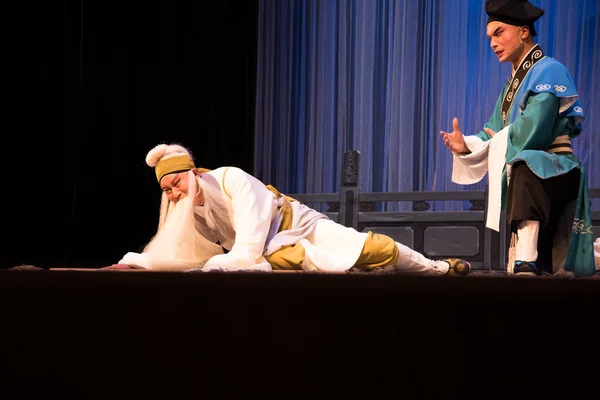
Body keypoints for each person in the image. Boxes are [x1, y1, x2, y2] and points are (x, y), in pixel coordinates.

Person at [103, 143, 472, 276]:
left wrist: (221, 262)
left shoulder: (232, 179)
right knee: (297, 261)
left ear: (195, 173)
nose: (173, 195)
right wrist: (139, 259)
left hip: (298, 225)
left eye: (176, 184)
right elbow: (189, 258)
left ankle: (436, 268)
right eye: (166, 190)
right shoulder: (191, 215)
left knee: (374, 250)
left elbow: (245, 249)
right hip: (275, 252)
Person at [440, 0, 595, 277]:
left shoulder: (548, 70)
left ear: (524, 32)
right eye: (490, 38)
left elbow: (534, 128)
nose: (492, 44)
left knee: (525, 162)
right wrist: (467, 145)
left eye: (499, 33)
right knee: (524, 162)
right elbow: (492, 129)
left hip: (557, 164)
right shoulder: (513, 85)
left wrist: (497, 139)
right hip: (533, 164)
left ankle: (526, 258)